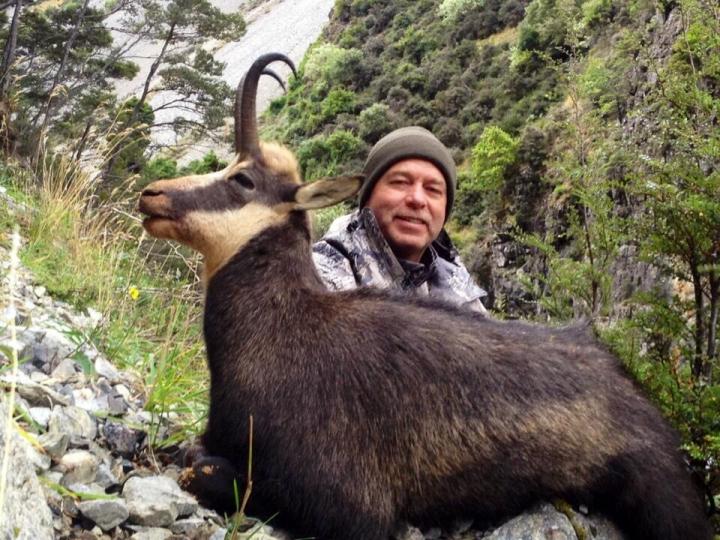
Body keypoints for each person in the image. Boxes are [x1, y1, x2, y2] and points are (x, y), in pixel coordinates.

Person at [312, 126, 488, 314]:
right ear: (368, 196)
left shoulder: (453, 277)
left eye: (433, 189)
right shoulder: (317, 280)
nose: (418, 199)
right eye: (400, 182)